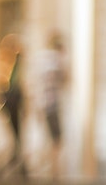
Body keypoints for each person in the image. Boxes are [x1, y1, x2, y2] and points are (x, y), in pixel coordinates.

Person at [0, 33, 26, 176]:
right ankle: (16, 162)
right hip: (9, 100)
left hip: (15, 100)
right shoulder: (4, 62)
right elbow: (0, 82)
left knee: (17, 134)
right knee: (14, 134)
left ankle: (20, 163)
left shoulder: (16, 62)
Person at [36, 31, 68, 179]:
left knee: (48, 138)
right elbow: (65, 78)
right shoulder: (55, 60)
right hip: (52, 105)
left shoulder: (42, 59)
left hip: (42, 104)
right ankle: (54, 172)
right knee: (56, 140)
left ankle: (47, 170)